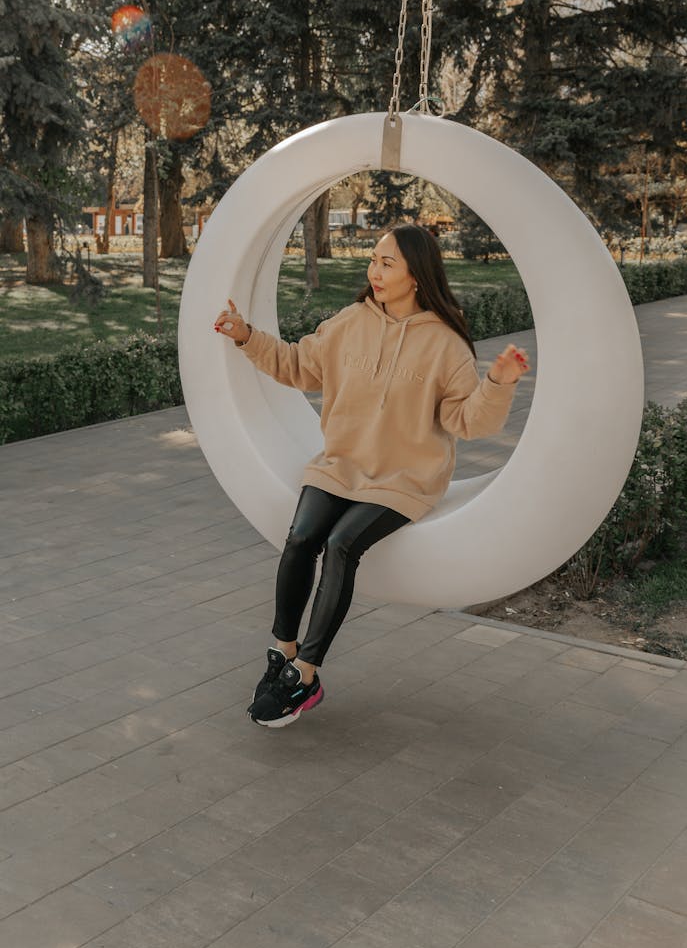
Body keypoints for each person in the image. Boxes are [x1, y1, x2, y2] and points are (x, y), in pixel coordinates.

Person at [213, 223, 531, 728]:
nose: (374, 271)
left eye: (387, 263)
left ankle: (307, 676)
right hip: (341, 464)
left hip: (404, 479)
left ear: (417, 276)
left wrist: (498, 382)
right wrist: (246, 336)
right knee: (299, 539)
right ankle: (282, 651)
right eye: (374, 260)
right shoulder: (351, 322)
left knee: (341, 545)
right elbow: (298, 366)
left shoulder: (446, 345)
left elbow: (469, 422)